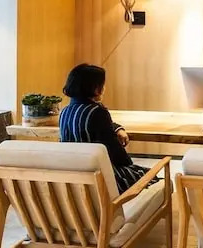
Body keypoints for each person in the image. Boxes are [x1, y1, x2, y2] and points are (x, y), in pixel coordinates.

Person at [58, 63, 156, 194]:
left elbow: (94, 126)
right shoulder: (97, 111)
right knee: (152, 176)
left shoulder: (65, 112)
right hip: (102, 180)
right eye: (102, 84)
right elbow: (114, 150)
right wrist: (129, 165)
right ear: (94, 88)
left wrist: (117, 129)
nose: (104, 88)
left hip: (77, 179)